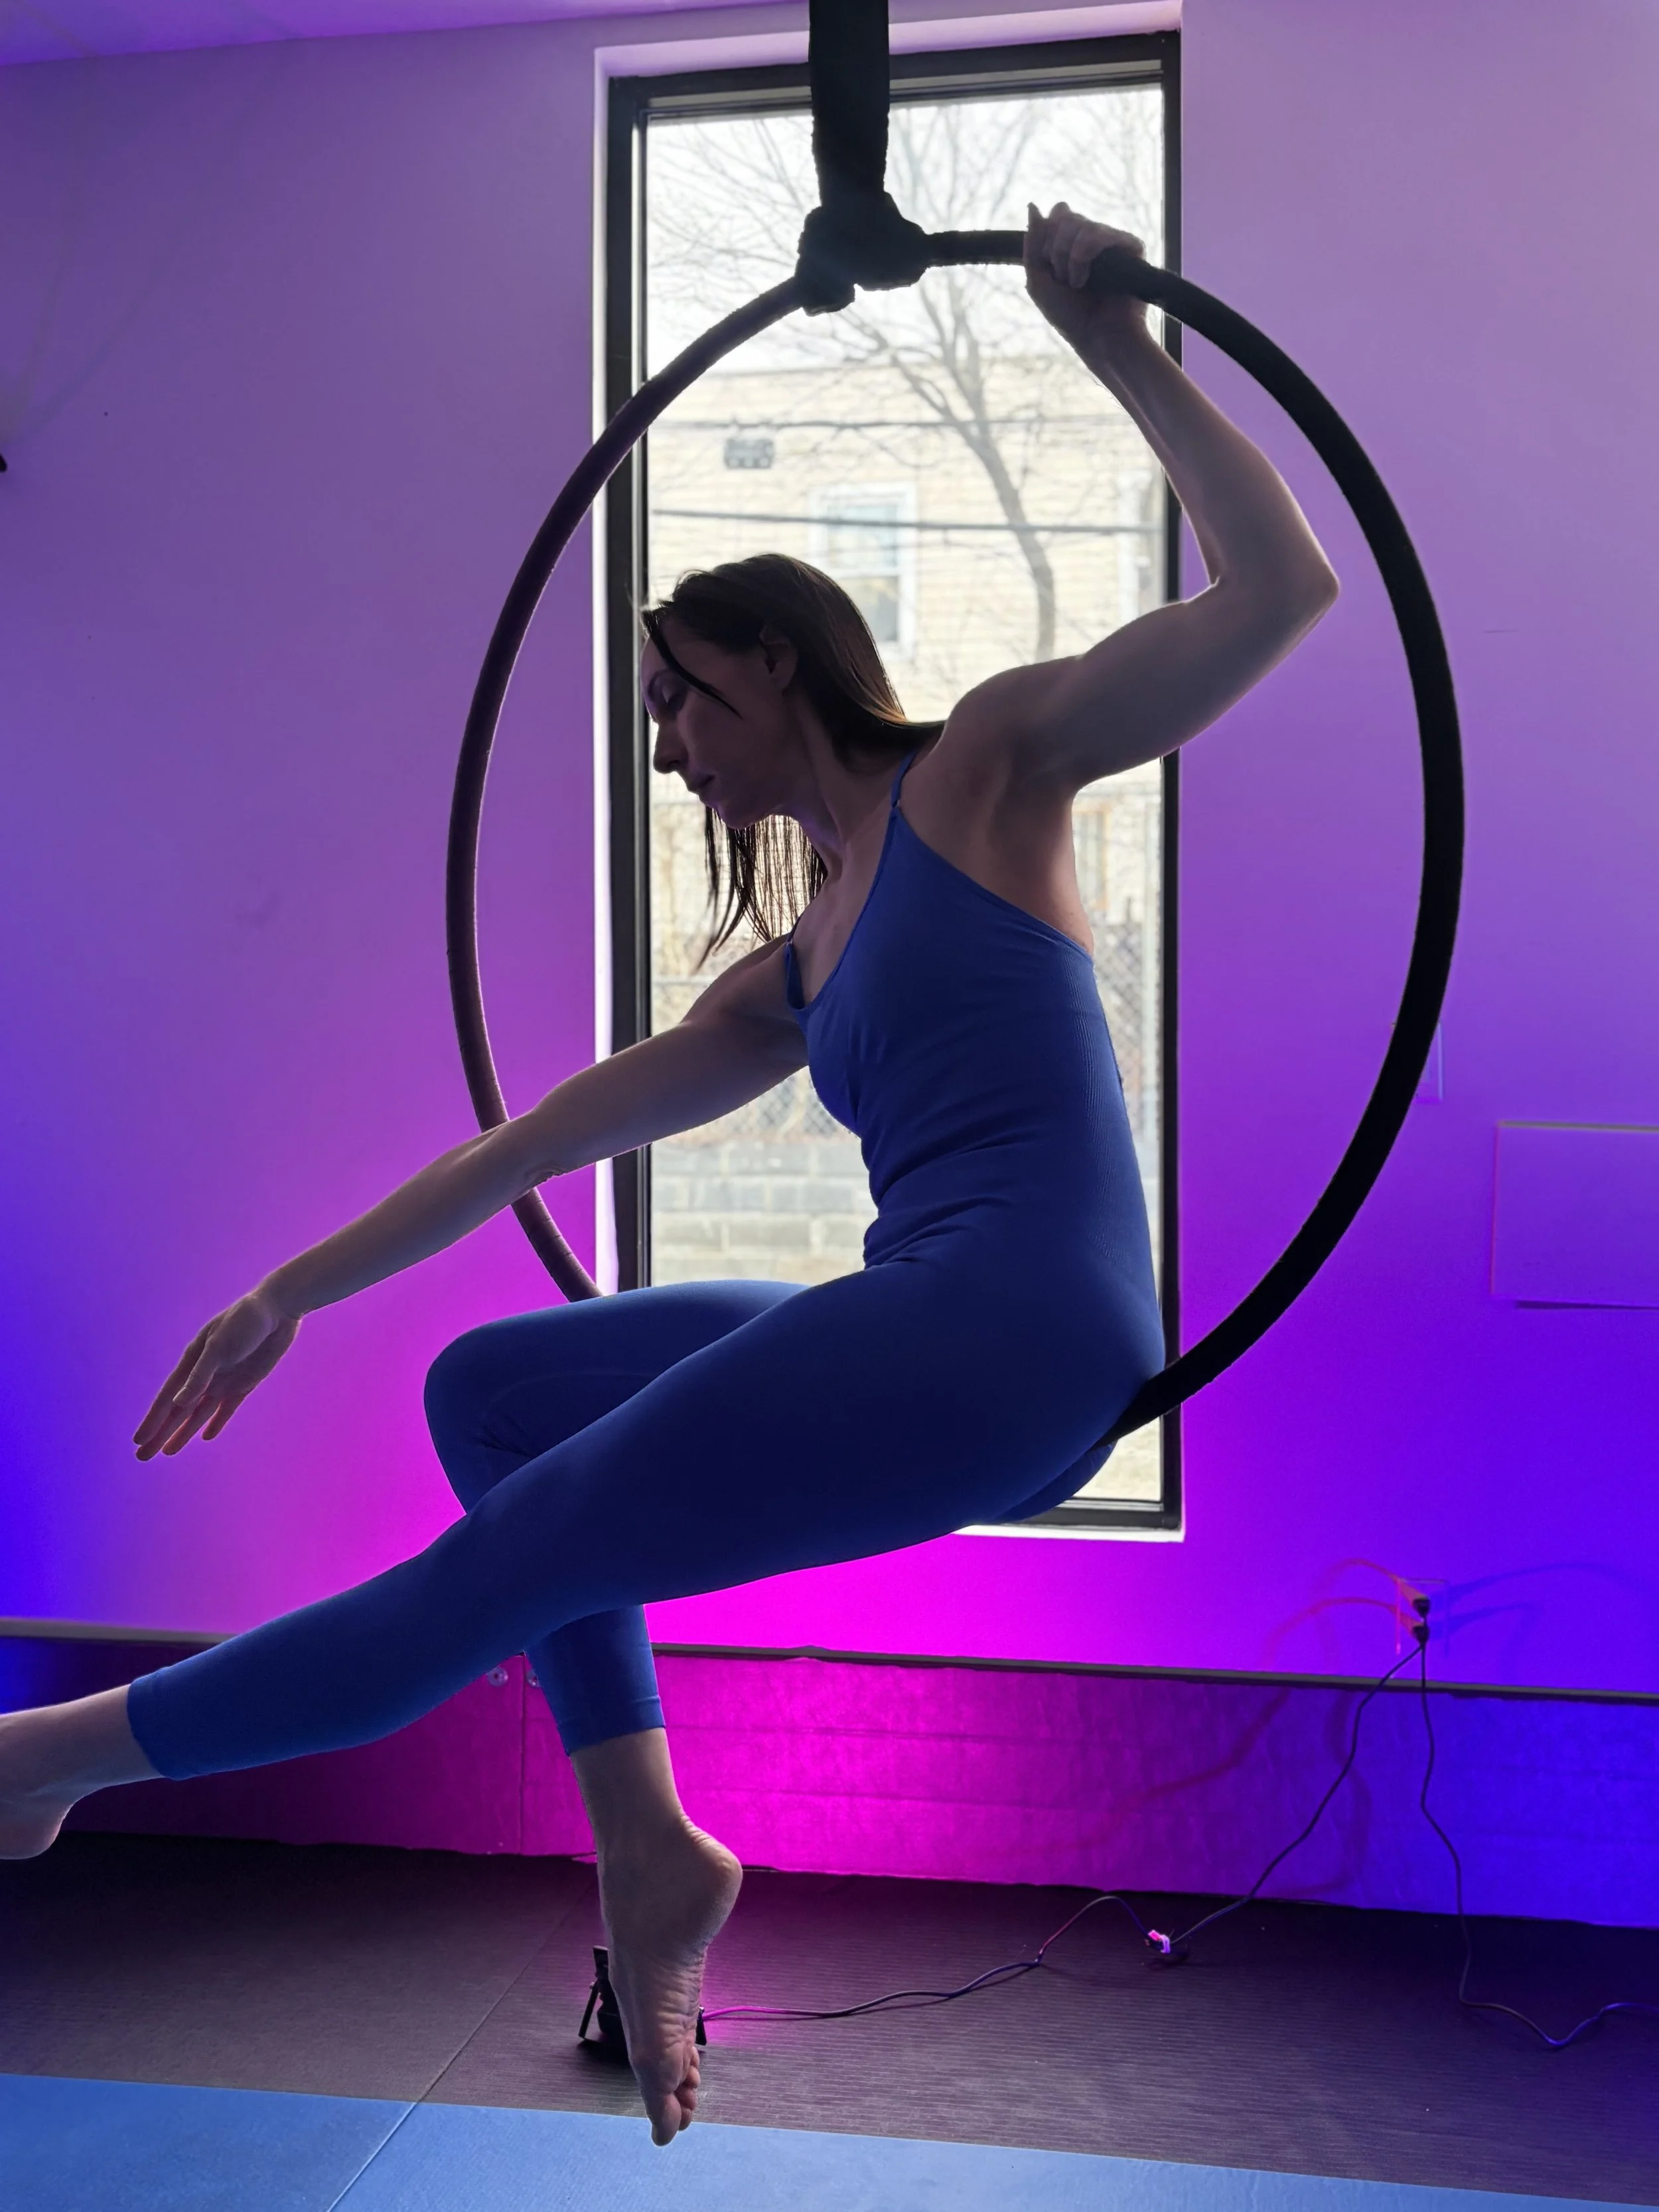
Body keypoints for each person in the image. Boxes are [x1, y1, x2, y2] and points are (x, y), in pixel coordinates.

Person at [0, 205, 1336, 2144]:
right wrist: (293, 1284)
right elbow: (523, 1144)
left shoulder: (985, 768)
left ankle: (40, 1756)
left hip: (1013, 1333)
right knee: (497, 1389)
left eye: (677, 703)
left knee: (503, 1565)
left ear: (770, 664)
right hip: (930, 1322)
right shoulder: (795, 965)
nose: (667, 749)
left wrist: (1106, 333)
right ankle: (648, 1842)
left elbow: (1281, 587)